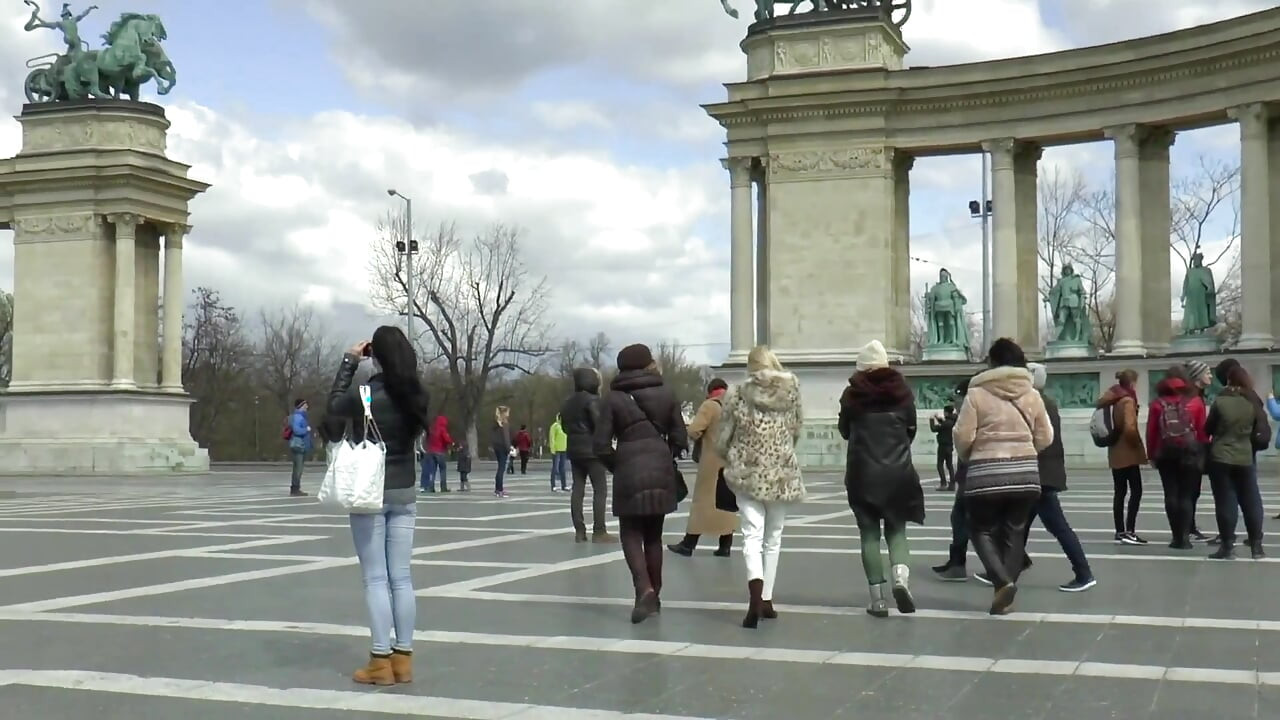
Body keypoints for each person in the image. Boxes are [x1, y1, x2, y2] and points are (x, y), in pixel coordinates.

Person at [326, 326, 429, 686]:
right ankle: (403, 658)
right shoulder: (417, 395)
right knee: (401, 578)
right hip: (405, 491)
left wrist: (349, 363)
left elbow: (334, 407)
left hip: (371, 491)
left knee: (375, 578)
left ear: (377, 357)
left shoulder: (366, 394)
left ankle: (380, 660)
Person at [953, 338, 1052, 616]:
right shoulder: (1032, 394)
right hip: (1025, 473)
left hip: (986, 472)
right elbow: (1046, 436)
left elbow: (963, 435)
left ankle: (1002, 581)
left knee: (979, 528)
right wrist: (1027, 451)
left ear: (992, 362)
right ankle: (1005, 593)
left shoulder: (976, 394)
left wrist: (971, 455)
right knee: (1015, 530)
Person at [593, 343, 688, 624]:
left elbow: (600, 445)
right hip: (660, 465)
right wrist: (665, 455)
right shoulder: (667, 392)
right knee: (654, 536)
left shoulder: (613, 398)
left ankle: (643, 589)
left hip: (628, 466)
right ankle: (655, 594)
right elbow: (680, 438)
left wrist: (618, 465)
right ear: (648, 363)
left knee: (631, 533)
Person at [715, 346, 805, 628]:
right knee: (773, 537)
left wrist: (729, 455)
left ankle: (754, 598)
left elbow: (723, 436)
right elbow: (796, 429)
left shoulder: (737, 394)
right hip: (780, 473)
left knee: (751, 536)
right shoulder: (791, 391)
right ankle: (766, 599)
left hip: (747, 471)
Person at [839, 340, 924, 618]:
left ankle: (877, 601)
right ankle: (901, 578)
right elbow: (911, 430)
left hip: (862, 474)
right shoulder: (903, 393)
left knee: (869, 535)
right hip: (898, 473)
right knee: (897, 531)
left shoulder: (851, 396)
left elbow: (844, 431)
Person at [1023, 363, 1096, 592]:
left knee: (1058, 527)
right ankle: (1007, 569)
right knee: (1019, 525)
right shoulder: (1047, 402)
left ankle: (1084, 573)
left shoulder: (1034, 403)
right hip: (1044, 472)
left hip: (1039, 473)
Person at [669, 378, 738, 558]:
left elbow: (694, 430)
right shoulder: (735, 407)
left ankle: (688, 544)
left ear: (711, 391)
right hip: (731, 462)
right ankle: (725, 546)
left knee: (702, 504)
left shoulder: (710, 406)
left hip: (711, 463)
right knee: (727, 504)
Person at [1205, 363, 1267, 560]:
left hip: (1221, 456)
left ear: (1228, 381)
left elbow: (1208, 428)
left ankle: (1227, 546)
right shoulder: (1252, 401)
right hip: (1245, 456)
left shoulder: (1221, 401)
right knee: (1251, 500)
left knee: (1226, 501)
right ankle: (1256, 546)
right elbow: (1260, 428)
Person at [1146, 365, 1207, 550]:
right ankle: (1186, 537)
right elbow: (1203, 431)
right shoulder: (1196, 401)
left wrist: (1152, 455)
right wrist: (1202, 452)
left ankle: (1176, 537)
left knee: (1171, 494)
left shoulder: (1157, 404)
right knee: (1187, 495)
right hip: (1190, 452)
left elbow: (1151, 432)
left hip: (1166, 453)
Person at [561, 368, 614, 543]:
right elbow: (599, 425)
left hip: (574, 450)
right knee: (600, 489)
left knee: (578, 489)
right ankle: (599, 531)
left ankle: (579, 531)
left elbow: (564, 427)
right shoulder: (593, 400)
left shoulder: (567, 402)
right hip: (592, 450)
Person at [1098, 369, 1148, 545]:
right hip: (1128, 452)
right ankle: (1130, 530)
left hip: (1115, 450)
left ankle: (1119, 531)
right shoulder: (1127, 400)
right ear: (1132, 383)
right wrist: (1137, 445)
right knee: (1136, 490)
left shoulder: (1112, 398)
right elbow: (1129, 427)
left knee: (1119, 492)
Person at [932, 380, 972, 582]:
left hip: (975, 474)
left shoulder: (972, 412)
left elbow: (964, 441)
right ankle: (956, 562)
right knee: (962, 519)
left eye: (957, 397)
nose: (955, 402)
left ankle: (1002, 571)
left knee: (968, 522)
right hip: (972, 473)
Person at [1184, 359, 1213, 541]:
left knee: (1190, 491)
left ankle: (1188, 526)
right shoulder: (1195, 400)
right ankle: (1187, 527)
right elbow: (1200, 428)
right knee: (1191, 491)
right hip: (1194, 449)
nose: (1210, 376)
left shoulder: (1194, 396)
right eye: (1207, 372)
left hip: (1189, 447)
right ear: (1197, 376)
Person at [419, 416, 452, 494]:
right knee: (442, 470)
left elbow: (426, 439)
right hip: (440, 452)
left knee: (432, 471)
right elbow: (447, 439)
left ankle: (430, 487)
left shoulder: (431, 429)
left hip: (430, 452)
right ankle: (443, 487)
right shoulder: (442, 429)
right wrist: (451, 443)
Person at [287, 399, 313, 497]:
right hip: (299, 445)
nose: (307, 406)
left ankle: (295, 488)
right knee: (298, 468)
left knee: (298, 468)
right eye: (305, 405)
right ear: (301, 406)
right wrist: (306, 429)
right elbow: (296, 430)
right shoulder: (298, 417)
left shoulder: (300, 416)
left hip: (300, 444)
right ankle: (295, 488)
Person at [930, 405, 957, 491]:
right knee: (949, 465)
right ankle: (952, 484)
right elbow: (944, 424)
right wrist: (938, 418)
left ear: (946, 412)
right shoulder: (952, 421)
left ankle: (943, 483)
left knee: (940, 465)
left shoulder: (947, 423)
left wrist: (931, 419)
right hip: (949, 446)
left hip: (943, 446)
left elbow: (934, 429)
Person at [491, 406, 513, 498]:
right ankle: (499, 489)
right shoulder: (505, 424)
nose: (508, 414)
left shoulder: (496, 423)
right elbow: (506, 438)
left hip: (497, 447)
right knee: (501, 469)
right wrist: (509, 449)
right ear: (504, 413)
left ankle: (498, 488)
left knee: (500, 468)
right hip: (503, 448)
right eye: (507, 412)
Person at [548, 415, 569, 492]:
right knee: (555, 467)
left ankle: (564, 485)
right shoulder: (555, 426)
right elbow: (552, 437)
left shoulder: (565, 426)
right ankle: (553, 485)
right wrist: (553, 449)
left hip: (564, 449)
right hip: (556, 449)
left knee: (562, 468)